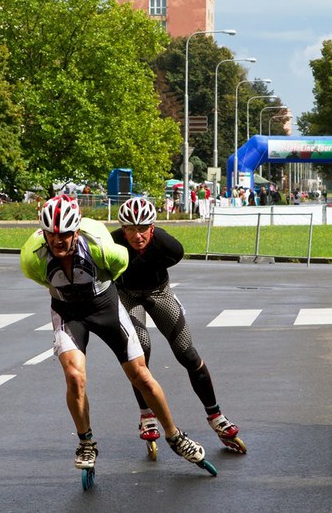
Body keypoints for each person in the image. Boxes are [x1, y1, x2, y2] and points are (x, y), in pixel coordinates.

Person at [20, 195, 208, 472]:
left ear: (76, 232)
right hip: (68, 311)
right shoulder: (31, 257)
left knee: (141, 375)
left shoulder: (101, 246)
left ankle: (175, 435)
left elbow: (119, 267)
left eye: (65, 234)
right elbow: (40, 278)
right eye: (52, 234)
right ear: (44, 233)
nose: (58, 240)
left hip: (104, 307)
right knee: (74, 376)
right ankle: (86, 442)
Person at [110, 197, 246, 454]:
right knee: (140, 354)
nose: (137, 235)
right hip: (127, 295)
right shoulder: (111, 243)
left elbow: (172, 258)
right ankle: (146, 414)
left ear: (152, 228)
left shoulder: (169, 245)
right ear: (122, 229)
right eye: (130, 229)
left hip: (159, 292)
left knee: (187, 353)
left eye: (143, 228)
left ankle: (216, 415)